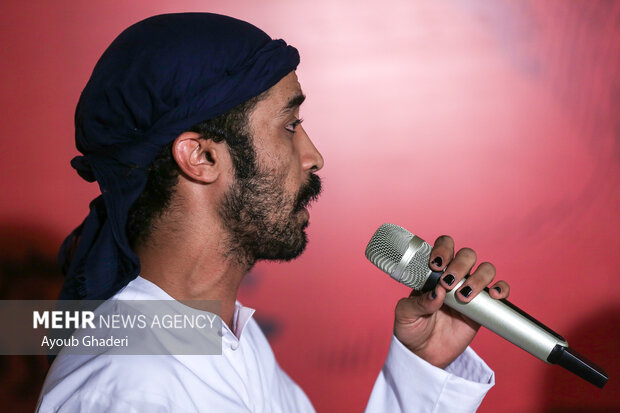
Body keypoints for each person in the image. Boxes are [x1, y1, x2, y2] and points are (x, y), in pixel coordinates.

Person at [36, 12, 510, 412]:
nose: (313, 156)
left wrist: (423, 367)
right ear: (200, 157)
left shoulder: (218, 337)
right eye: (290, 125)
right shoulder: (131, 388)